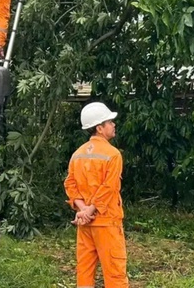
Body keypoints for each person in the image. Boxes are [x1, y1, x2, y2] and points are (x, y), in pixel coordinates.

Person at [63, 102, 129, 288]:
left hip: (85, 224)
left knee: (84, 272)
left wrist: (83, 210)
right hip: (106, 222)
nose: (114, 125)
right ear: (100, 128)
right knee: (115, 273)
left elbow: (70, 183)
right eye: (110, 122)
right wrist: (91, 209)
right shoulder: (113, 154)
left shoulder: (77, 154)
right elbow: (109, 187)